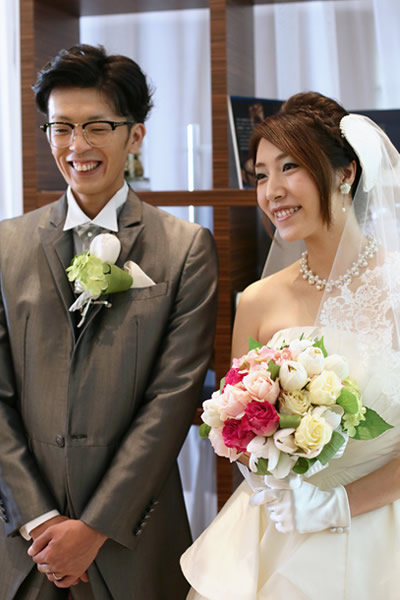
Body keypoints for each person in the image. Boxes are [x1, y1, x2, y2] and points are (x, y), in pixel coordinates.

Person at [0, 44, 218, 600]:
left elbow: (172, 401)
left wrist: (93, 528)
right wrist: (40, 520)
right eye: (61, 128)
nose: (77, 146)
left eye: (97, 127)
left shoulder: (186, 248)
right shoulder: (5, 245)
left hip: (133, 543)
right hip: (25, 551)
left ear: (135, 135)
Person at [180, 91, 400, 599]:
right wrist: (274, 484)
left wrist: (337, 505)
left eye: (290, 166)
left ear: (346, 172)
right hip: (279, 529)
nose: (272, 191)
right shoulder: (258, 299)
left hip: (382, 537)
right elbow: (237, 429)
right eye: (260, 175)